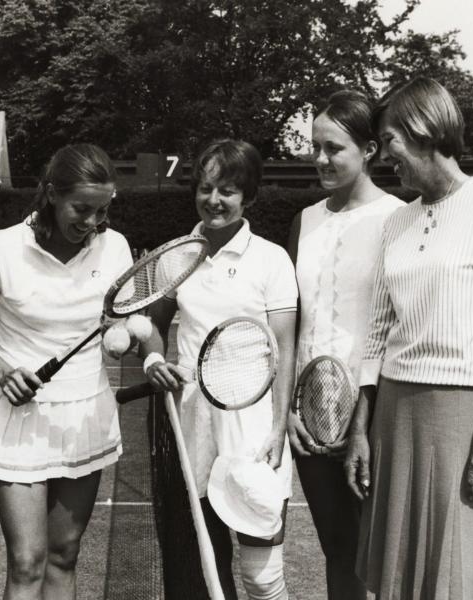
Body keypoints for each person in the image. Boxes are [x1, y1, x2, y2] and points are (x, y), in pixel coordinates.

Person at [344, 77, 473, 599]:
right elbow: (378, 334)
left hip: (466, 420)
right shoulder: (396, 222)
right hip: (394, 418)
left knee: (464, 577)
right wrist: (361, 429)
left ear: (424, 130)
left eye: (390, 140)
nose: (385, 157)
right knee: (403, 577)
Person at [0, 143, 132, 599]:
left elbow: (123, 324)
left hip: (87, 415)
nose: (91, 223)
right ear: (51, 193)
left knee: (64, 553)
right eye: (82, 209)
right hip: (18, 422)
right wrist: (2, 370)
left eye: (102, 211)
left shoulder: (116, 248)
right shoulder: (2, 248)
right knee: (27, 561)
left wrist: (121, 329)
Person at [140, 139, 298, 600]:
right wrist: (153, 357)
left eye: (227, 190)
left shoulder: (271, 259)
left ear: (248, 196)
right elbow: (152, 324)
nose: (214, 200)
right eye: (205, 188)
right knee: (200, 570)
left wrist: (277, 429)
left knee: (261, 575)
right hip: (190, 425)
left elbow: (285, 350)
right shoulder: (175, 254)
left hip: (252, 427)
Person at [286, 90, 404, 600]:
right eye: (315, 146)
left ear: (370, 150)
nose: (320, 159)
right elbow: (289, 322)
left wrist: (365, 418)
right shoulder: (304, 221)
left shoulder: (400, 218)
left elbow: (401, 325)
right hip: (310, 418)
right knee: (338, 550)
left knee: (381, 558)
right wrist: (289, 405)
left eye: (333, 148)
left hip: (375, 417)